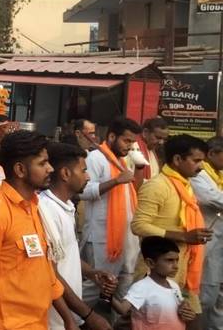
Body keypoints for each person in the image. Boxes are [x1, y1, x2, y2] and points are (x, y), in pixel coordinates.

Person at [0, 130, 76, 330]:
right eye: (42, 163)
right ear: (20, 170)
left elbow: (46, 272)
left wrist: (69, 319)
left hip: (38, 323)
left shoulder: (33, 207)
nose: (50, 168)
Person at [131, 134, 212, 322]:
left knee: (190, 321)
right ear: (177, 159)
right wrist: (183, 236)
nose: (201, 166)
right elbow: (138, 225)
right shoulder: (157, 186)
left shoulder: (185, 186)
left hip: (182, 268)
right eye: (196, 161)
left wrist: (194, 235)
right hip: (157, 272)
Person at [40, 142, 115, 330]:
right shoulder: (46, 210)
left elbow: (64, 254)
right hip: (53, 319)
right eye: (83, 170)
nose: (88, 176)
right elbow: (50, 272)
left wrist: (91, 272)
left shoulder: (66, 206)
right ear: (65, 174)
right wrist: (88, 315)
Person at [79, 117, 143, 306]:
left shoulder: (122, 160)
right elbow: (84, 191)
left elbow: (130, 192)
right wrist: (115, 181)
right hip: (101, 237)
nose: (130, 146)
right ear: (112, 136)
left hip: (125, 238)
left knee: (123, 286)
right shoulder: (96, 158)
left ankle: (115, 320)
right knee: (96, 286)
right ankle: (72, 317)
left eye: (132, 142)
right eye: (126, 140)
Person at [111, 236, 197, 330]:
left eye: (177, 260)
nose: (176, 266)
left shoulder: (174, 285)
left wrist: (186, 312)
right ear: (150, 263)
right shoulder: (142, 287)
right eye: (169, 260)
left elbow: (181, 309)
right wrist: (108, 295)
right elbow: (122, 309)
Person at [190, 137, 223, 328]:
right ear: (211, 154)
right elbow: (212, 198)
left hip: (219, 242)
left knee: (219, 296)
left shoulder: (219, 175)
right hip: (206, 240)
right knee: (205, 295)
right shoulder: (198, 174)